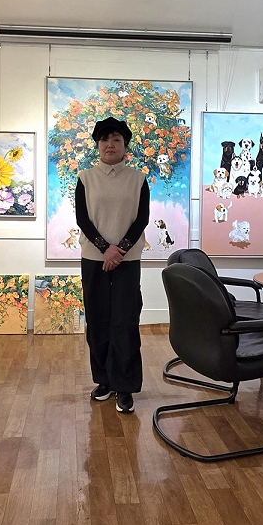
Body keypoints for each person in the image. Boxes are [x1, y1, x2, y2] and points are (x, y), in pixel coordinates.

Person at [75, 117, 149, 414]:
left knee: (125, 322)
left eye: (116, 139)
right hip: (94, 260)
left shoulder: (138, 179)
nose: (110, 144)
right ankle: (104, 380)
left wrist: (120, 251)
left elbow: (142, 219)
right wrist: (106, 249)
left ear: (124, 145)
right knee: (98, 321)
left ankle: (125, 386)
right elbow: (82, 219)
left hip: (127, 262)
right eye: (105, 139)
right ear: (97, 145)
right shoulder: (85, 178)